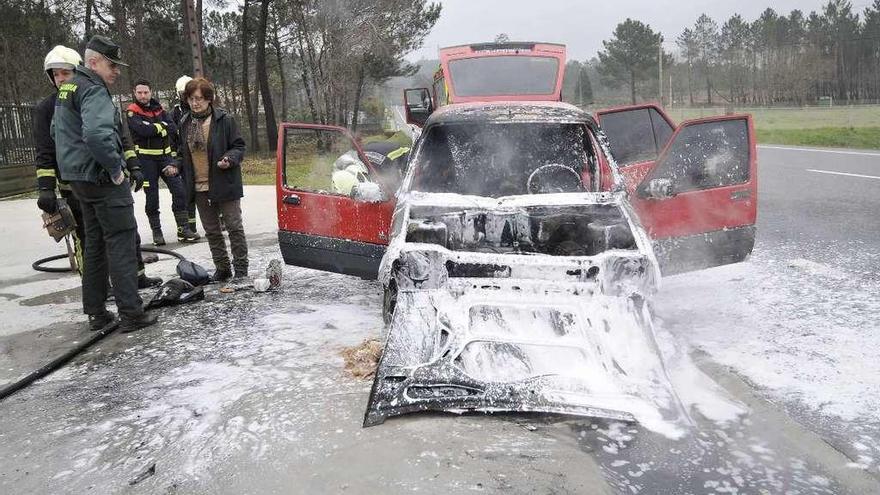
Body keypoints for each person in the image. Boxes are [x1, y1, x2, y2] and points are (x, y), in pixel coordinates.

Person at [52, 35, 158, 333]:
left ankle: (97, 312)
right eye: (113, 65)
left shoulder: (67, 89)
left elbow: (56, 131)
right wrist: (116, 170)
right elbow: (98, 136)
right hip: (101, 179)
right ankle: (131, 314)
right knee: (122, 242)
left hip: (79, 181)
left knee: (95, 243)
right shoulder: (92, 89)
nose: (117, 71)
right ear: (94, 62)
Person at [175, 77, 248, 282]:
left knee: (234, 227)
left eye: (198, 98)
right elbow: (182, 152)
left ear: (209, 99)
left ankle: (241, 269)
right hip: (198, 185)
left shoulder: (224, 120)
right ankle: (222, 268)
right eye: (190, 98)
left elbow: (239, 147)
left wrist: (229, 159)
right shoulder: (185, 122)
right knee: (212, 231)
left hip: (224, 181)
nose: (194, 103)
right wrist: (175, 165)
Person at [126, 79, 198, 245]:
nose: (143, 96)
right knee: (152, 197)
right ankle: (157, 232)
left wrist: (156, 127)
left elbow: (173, 128)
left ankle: (183, 229)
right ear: (135, 93)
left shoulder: (159, 108)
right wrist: (160, 127)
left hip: (166, 158)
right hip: (146, 160)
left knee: (180, 191)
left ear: (151, 92)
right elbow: (143, 130)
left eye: (146, 92)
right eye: (140, 93)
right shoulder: (132, 111)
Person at [170, 75, 199, 237]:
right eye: (184, 94)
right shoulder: (175, 113)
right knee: (187, 194)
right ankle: (189, 227)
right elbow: (172, 138)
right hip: (184, 160)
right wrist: (176, 161)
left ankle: (220, 220)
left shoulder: (200, 109)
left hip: (200, 157)